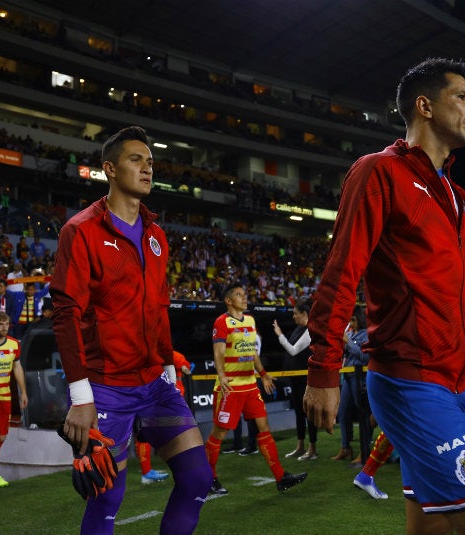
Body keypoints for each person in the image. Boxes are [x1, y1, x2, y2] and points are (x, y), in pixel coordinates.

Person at [304, 57, 465, 535]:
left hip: (455, 383)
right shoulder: (379, 172)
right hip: (411, 382)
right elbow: (342, 272)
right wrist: (322, 368)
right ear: (424, 105)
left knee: (432, 526)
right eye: (461, 97)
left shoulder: (456, 196)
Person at [51, 126, 212, 535]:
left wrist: (168, 370)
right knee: (107, 496)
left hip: (154, 383)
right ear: (109, 168)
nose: (147, 168)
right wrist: (80, 396)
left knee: (197, 479)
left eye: (150, 162)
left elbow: (158, 309)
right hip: (105, 388)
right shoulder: (81, 230)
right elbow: (66, 314)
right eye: (136, 160)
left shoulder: (157, 236)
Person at [204, 282, 307, 495]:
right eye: (239, 295)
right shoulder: (222, 322)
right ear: (229, 301)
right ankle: (208, 478)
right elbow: (218, 353)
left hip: (250, 385)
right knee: (219, 433)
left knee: (264, 428)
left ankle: (281, 477)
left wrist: (263, 374)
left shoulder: (250, 320)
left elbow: (252, 353)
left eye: (245, 294)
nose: (244, 298)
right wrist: (222, 376)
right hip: (230, 387)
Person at [0, 310, 28, 488]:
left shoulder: (14, 344)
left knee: (2, 437)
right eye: (0, 324)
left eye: (6, 324)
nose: (4, 327)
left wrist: (23, 392)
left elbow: (17, 368)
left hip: (5, 396)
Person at [272, 298, 318, 461]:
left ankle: (312, 449)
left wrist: (279, 335)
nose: (293, 317)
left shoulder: (309, 330)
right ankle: (300, 446)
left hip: (306, 378)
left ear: (304, 314)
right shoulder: (298, 329)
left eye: (295, 313)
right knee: (298, 411)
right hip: (295, 378)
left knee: (308, 413)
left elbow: (293, 350)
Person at [137, 350, 192, 485]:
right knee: (145, 435)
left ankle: (181, 467)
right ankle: (147, 473)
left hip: (171, 401)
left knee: (176, 433)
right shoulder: (147, 356)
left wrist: (184, 367)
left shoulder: (171, 354)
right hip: (154, 400)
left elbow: (183, 364)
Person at [331, 306, 371, 463]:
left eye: (353, 320)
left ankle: (364, 451)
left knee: (363, 415)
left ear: (360, 319)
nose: (351, 323)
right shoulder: (349, 333)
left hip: (359, 378)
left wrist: (348, 342)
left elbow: (365, 357)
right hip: (347, 377)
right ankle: (345, 447)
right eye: (350, 320)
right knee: (342, 412)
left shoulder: (366, 335)